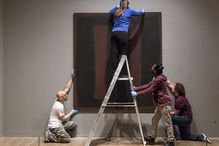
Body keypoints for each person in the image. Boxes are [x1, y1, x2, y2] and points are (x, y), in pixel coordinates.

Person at [131, 64, 175, 146]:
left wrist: (137, 93)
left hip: (164, 104)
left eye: (153, 67)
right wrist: (136, 88)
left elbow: (150, 89)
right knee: (154, 119)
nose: (151, 68)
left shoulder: (159, 79)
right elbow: (148, 85)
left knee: (167, 123)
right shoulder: (156, 77)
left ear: (155, 70)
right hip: (160, 104)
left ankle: (171, 141)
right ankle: (152, 137)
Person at [109, 0, 144, 74]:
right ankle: (119, 71)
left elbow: (110, 12)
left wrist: (117, 6)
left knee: (114, 52)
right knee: (123, 53)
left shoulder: (117, 11)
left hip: (114, 33)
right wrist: (143, 11)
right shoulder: (129, 11)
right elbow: (138, 13)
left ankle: (114, 70)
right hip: (122, 33)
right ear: (127, 4)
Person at [44, 70, 78, 143]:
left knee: (73, 125)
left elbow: (66, 88)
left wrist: (71, 78)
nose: (66, 94)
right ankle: (50, 136)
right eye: (65, 95)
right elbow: (63, 119)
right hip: (55, 126)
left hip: (58, 123)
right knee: (67, 140)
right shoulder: (59, 106)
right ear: (62, 98)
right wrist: (71, 112)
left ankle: (58, 133)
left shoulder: (58, 98)